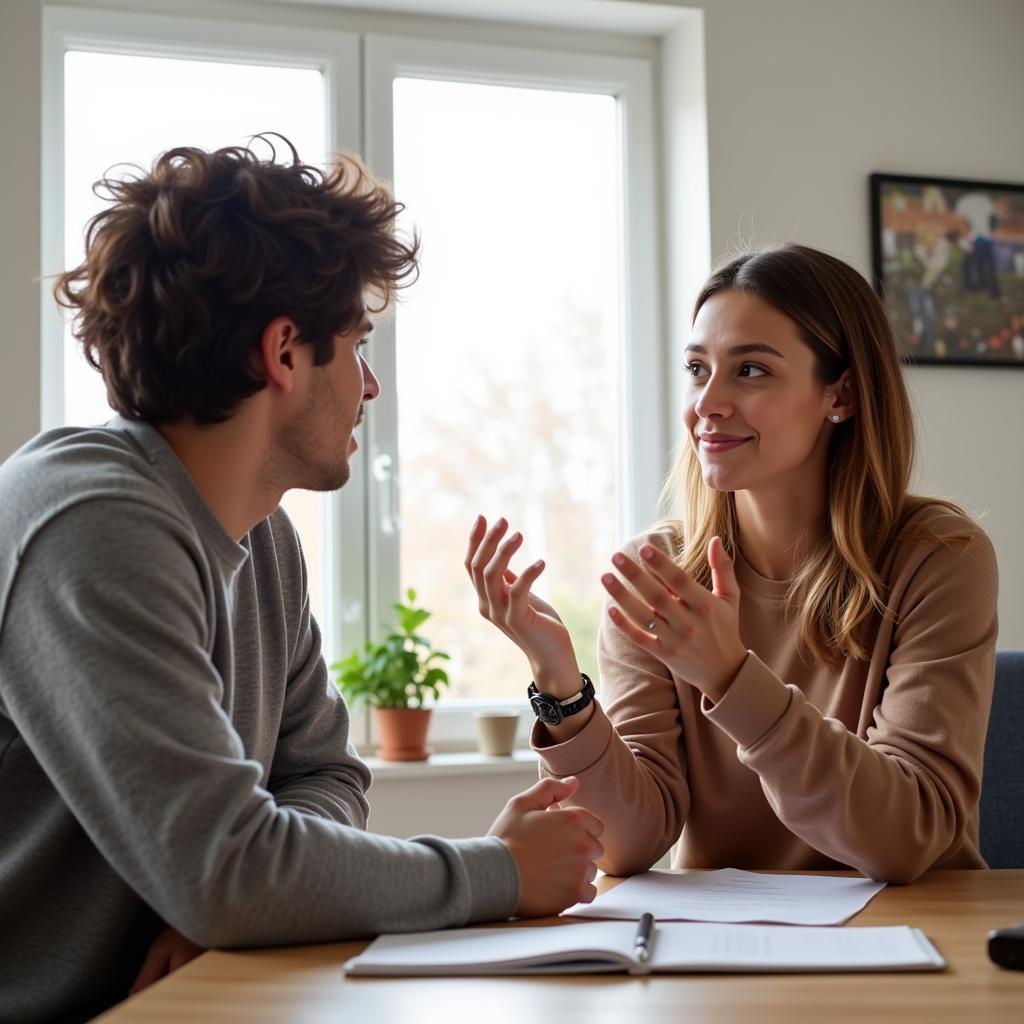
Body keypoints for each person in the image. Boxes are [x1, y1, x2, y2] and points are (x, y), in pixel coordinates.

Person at [0, 138, 603, 1024]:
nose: (371, 385)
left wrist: (243, 904)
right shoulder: (90, 521)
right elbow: (228, 871)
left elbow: (323, 773)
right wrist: (502, 871)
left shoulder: (264, 536)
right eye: (357, 344)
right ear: (284, 352)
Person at [467, 243, 997, 885]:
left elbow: (907, 836)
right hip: (725, 955)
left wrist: (729, 677)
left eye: (751, 371)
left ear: (843, 395)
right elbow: (625, 846)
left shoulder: (938, 558)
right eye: (697, 368)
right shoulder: (656, 572)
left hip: (920, 939)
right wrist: (559, 687)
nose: (707, 403)